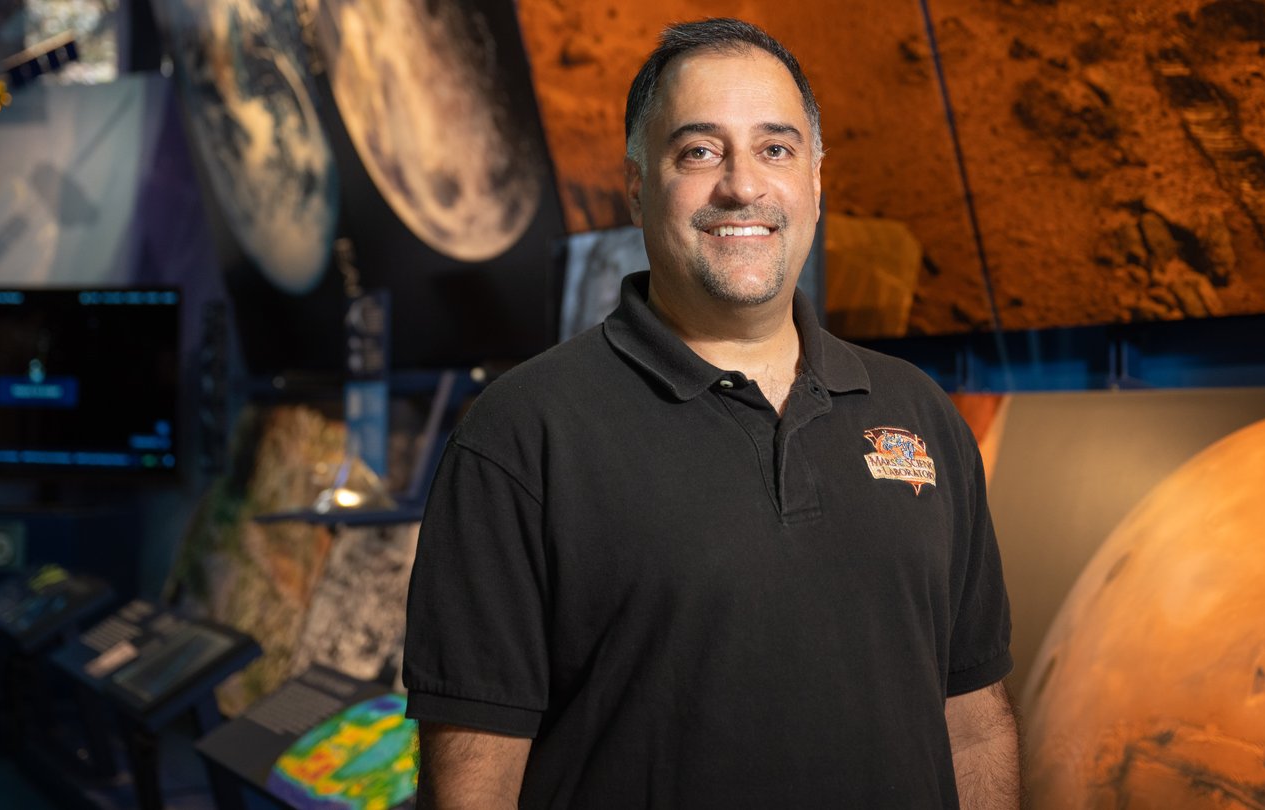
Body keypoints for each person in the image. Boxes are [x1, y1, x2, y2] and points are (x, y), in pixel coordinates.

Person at [402, 17, 1020, 809]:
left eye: (775, 148)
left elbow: (975, 724)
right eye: (698, 150)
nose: (743, 186)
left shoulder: (921, 417)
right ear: (636, 183)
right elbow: (474, 783)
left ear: (817, 180)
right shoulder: (521, 438)